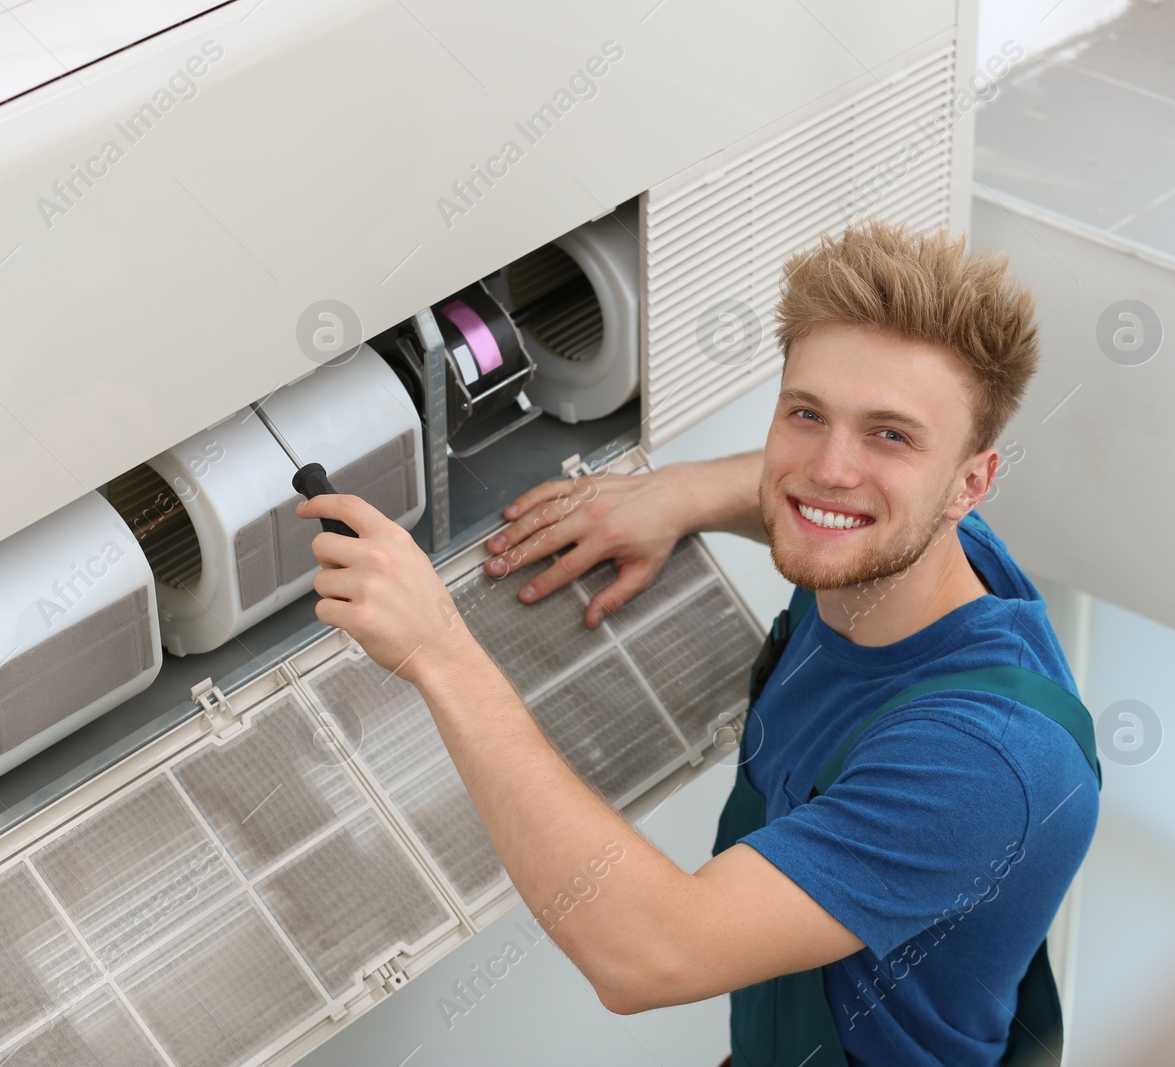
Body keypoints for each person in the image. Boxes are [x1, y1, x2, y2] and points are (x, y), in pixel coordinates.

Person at [296, 220, 1100, 1066]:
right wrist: (680, 492)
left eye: (889, 434)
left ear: (969, 483)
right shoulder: (912, 549)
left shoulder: (982, 762)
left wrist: (438, 648)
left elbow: (648, 954)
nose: (829, 468)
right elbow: (822, 495)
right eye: (806, 412)